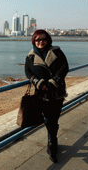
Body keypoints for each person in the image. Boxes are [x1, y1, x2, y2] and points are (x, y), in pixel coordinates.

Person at [24, 29, 69, 163]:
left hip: (56, 92)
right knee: (48, 119)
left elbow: (64, 67)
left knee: (53, 119)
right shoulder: (30, 56)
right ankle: (53, 141)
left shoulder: (57, 52)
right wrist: (38, 82)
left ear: (48, 39)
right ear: (34, 41)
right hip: (41, 93)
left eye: (43, 39)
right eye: (37, 39)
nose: (41, 42)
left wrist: (53, 81)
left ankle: (52, 145)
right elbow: (27, 71)